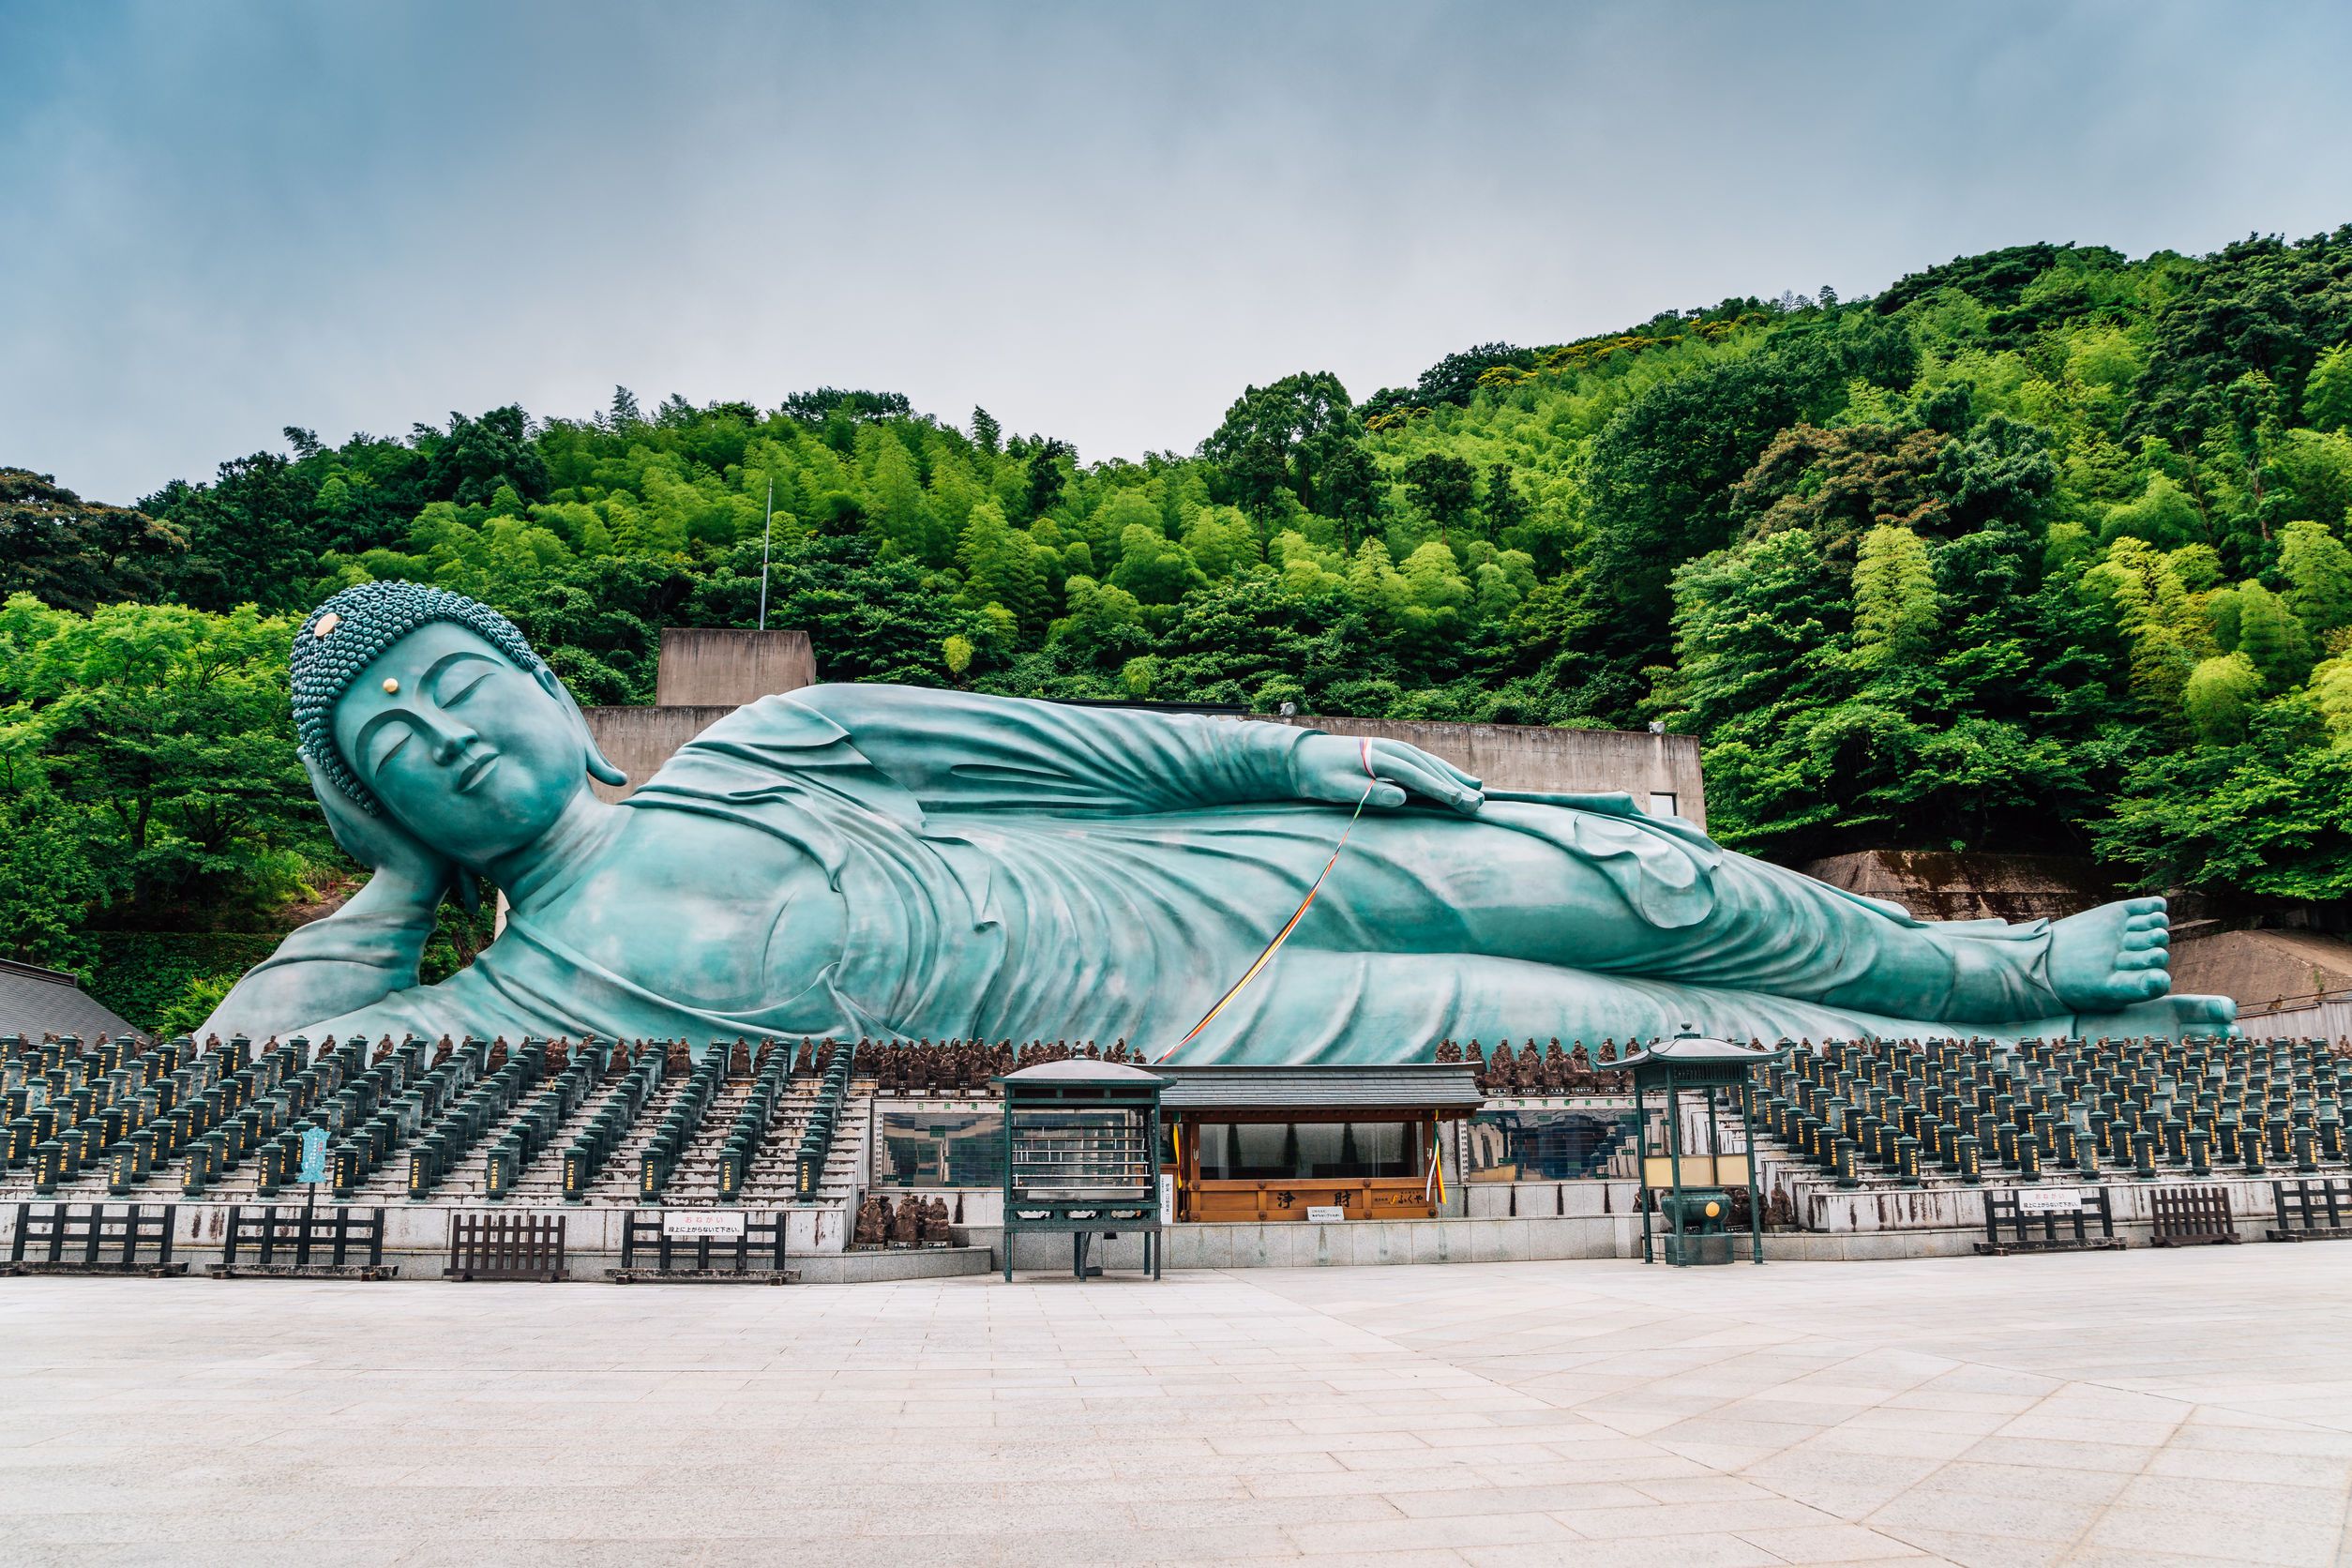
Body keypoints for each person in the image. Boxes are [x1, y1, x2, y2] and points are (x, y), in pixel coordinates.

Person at [204, 583, 2232, 1062]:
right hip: (1191, 1025)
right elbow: (236, 1078)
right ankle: (2041, 1049)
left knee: (1602, 866)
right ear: (379, 798)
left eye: (461, 682)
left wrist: (1290, 757)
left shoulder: (773, 740)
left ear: (553, 686)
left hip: (1184, 870)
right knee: (1622, 1026)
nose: (447, 737)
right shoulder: (535, 991)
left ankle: (1991, 962)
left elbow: (1081, 746)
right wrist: (387, 902)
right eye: (394, 745)